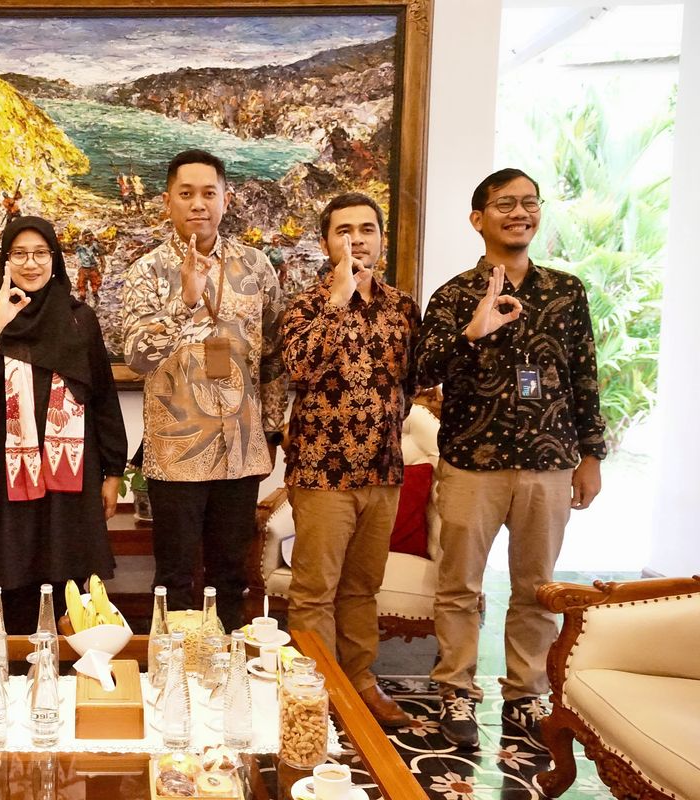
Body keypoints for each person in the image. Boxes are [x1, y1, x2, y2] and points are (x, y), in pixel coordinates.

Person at [415, 168, 606, 748]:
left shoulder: (566, 291)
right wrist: (471, 331)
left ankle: (526, 694)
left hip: (549, 460)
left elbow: (584, 376)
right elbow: (422, 372)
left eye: (529, 202)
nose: (519, 213)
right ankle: (455, 690)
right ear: (478, 219)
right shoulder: (452, 295)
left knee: (536, 588)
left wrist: (592, 455)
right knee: (459, 586)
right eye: (505, 204)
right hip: (473, 461)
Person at [121, 149, 288, 631]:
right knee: (174, 579)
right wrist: (185, 301)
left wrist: (271, 430)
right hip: (176, 450)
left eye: (209, 193)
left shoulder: (256, 266)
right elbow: (136, 356)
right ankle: (174, 670)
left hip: (241, 447)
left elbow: (275, 355)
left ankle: (229, 666)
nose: (199, 204)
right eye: (186, 193)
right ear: (167, 201)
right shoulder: (147, 271)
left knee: (231, 576)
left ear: (225, 199)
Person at [279, 193, 421, 728]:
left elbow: (410, 383)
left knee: (362, 589)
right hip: (322, 473)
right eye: (343, 230)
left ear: (381, 239)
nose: (356, 239)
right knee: (314, 592)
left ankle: (360, 681)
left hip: (383, 471)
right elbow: (299, 368)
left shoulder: (403, 307)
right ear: (325, 243)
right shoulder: (304, 306)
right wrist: (338, 300)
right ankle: (319, 689)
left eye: (366, 229)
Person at [0, 216, 126, 633]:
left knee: (71, 586)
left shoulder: (79, 319)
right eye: (19, 254)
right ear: (5, 260)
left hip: (71, 478)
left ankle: (71, 665)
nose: (30, 264)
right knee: (14, 578)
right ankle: (17, 662)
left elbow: (102, 397)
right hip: (8, 477)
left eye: (39, 253)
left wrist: (113, 472)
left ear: (54, 259)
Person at [74, 229, 106, 304]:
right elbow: (72, 249)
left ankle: (95, 294)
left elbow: (101, 254)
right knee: (81, 282)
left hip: (93, 267)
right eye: (86, 237)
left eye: (89, 236)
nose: (88, 238)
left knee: (95, 281)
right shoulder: (79, 246)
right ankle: (82, 296)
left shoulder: (94, 245)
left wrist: (103, 265)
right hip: (83, 267)